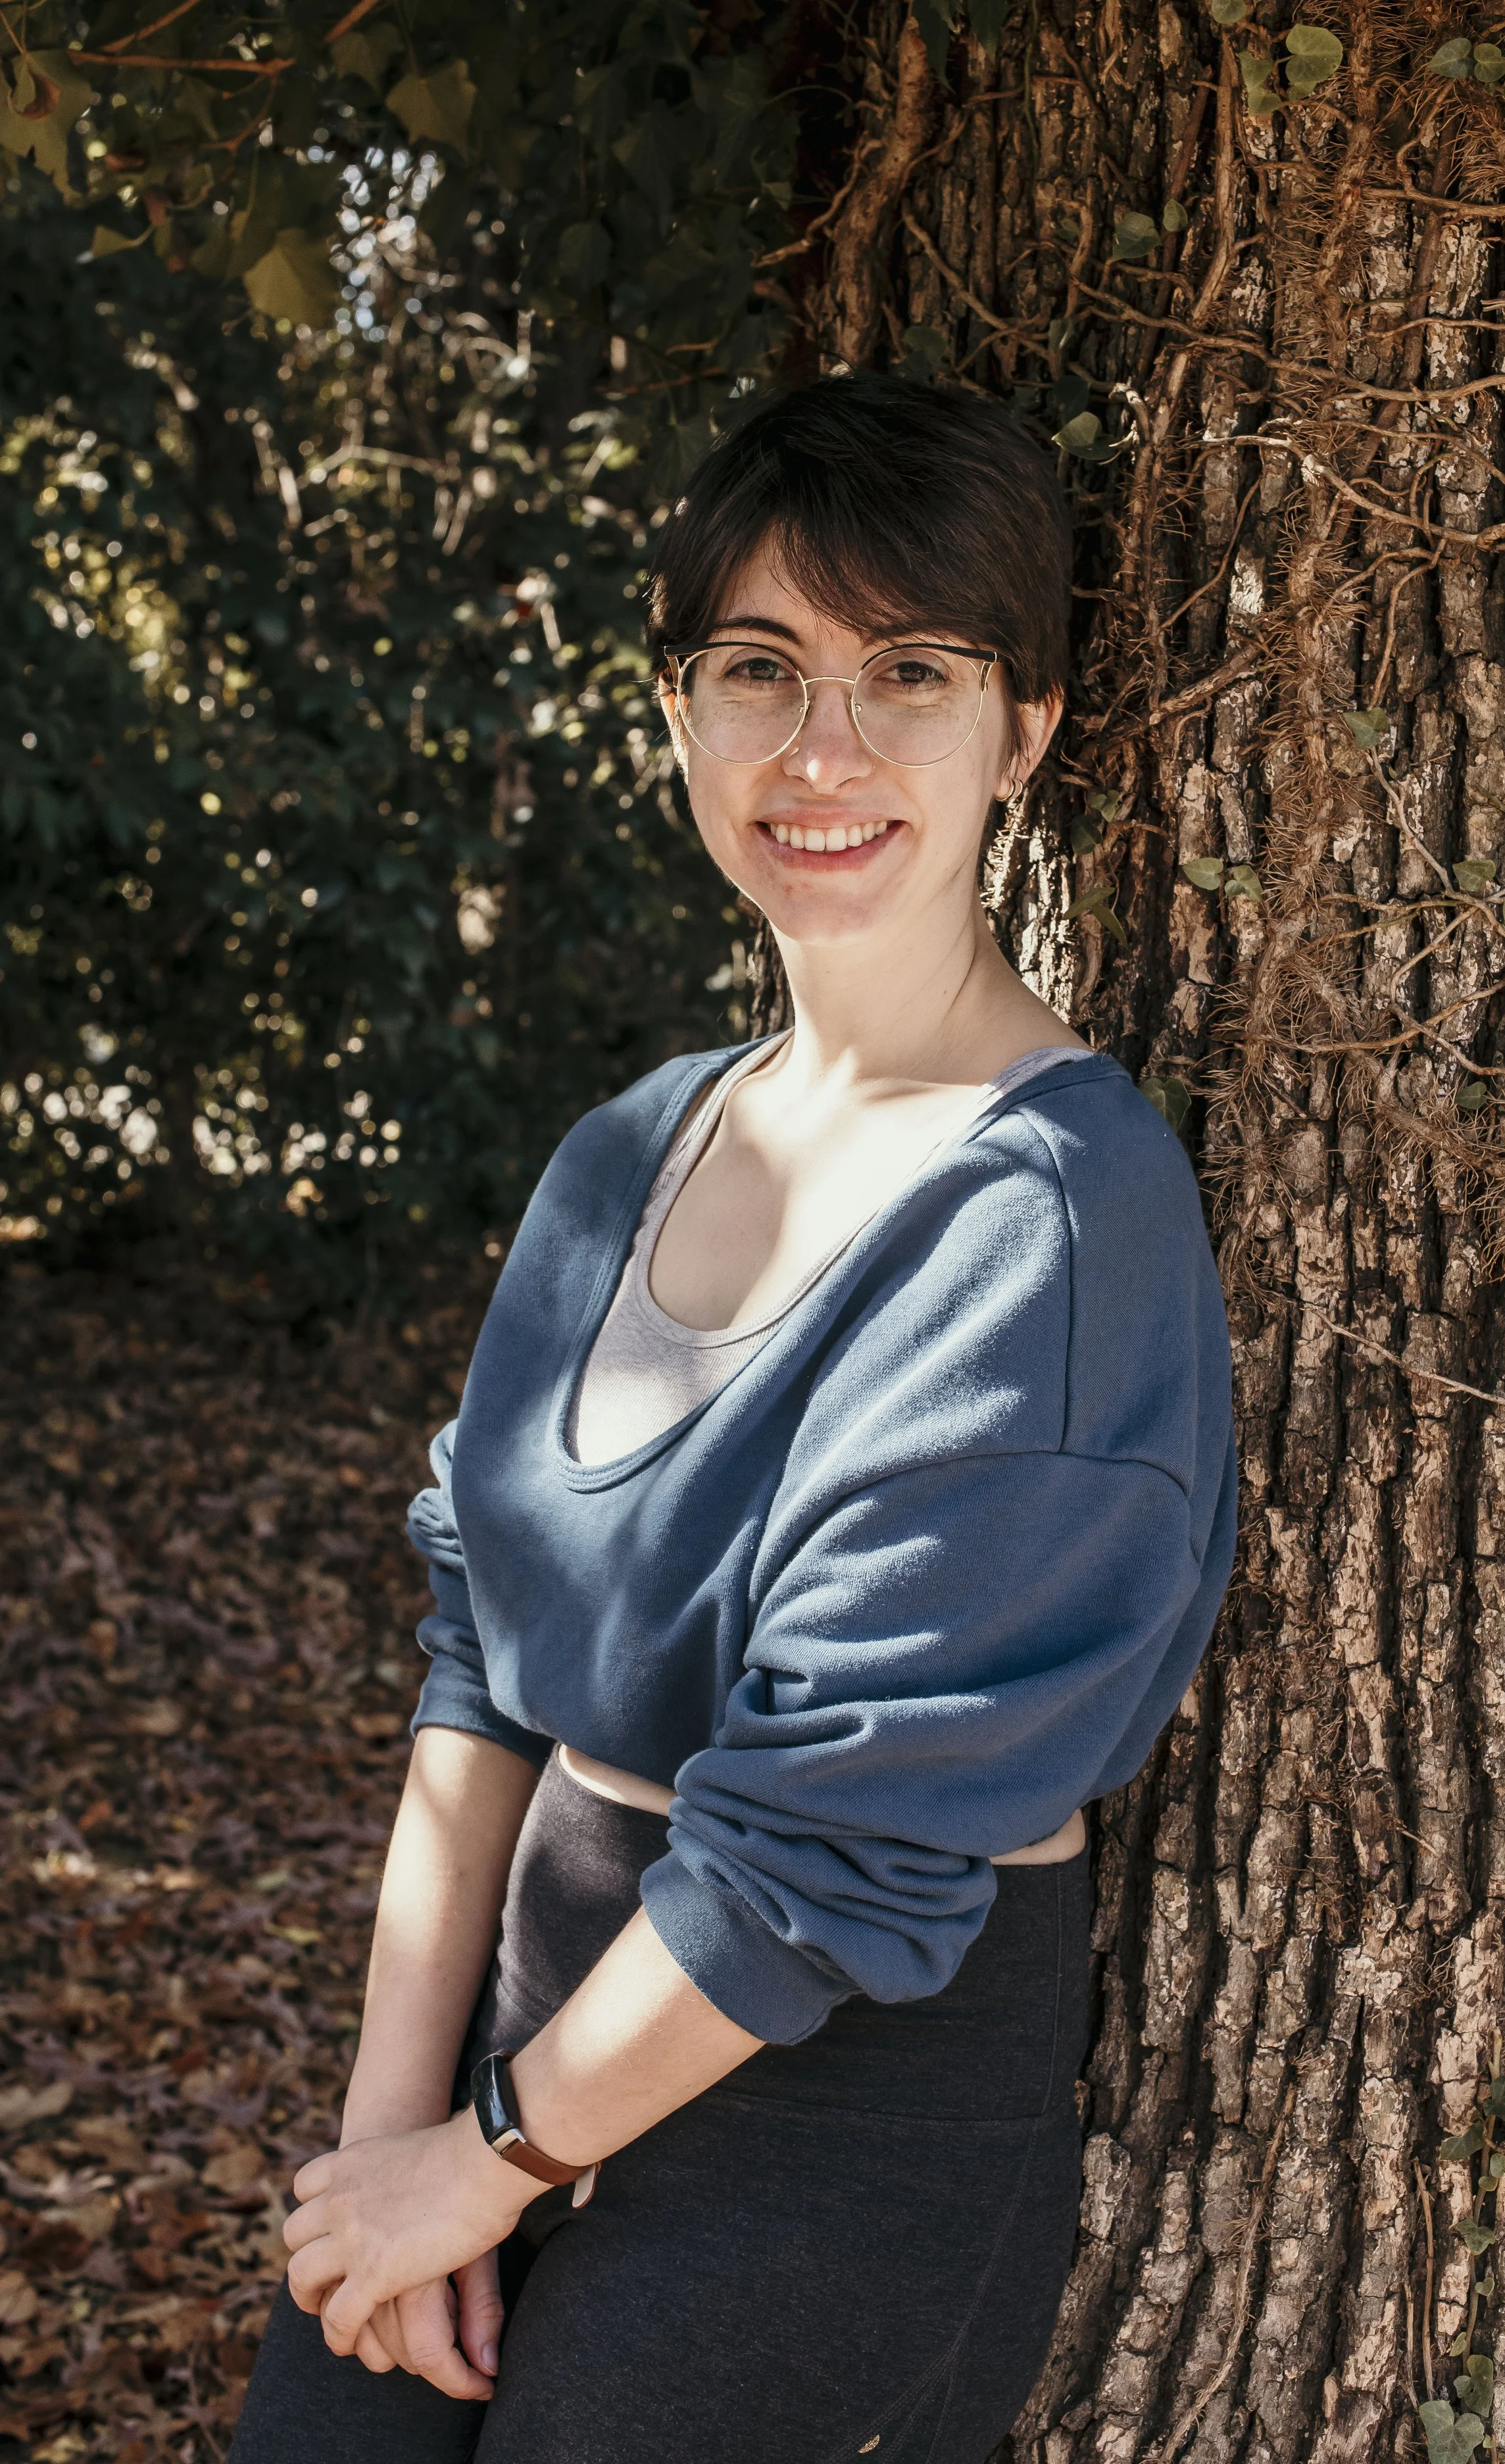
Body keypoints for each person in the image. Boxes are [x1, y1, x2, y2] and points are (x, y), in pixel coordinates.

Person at [229, 372, 1237, 2464]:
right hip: (528, 2031)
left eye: (910, 675)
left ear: (1024, 728)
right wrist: (394, 2135)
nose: (822, 749)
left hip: (838, 2115)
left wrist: (492, 2161)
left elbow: (825, 1851)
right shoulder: (632, 1148)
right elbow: (479, 1656)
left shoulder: (1047, 1212)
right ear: (677, 706)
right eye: (756, 669)